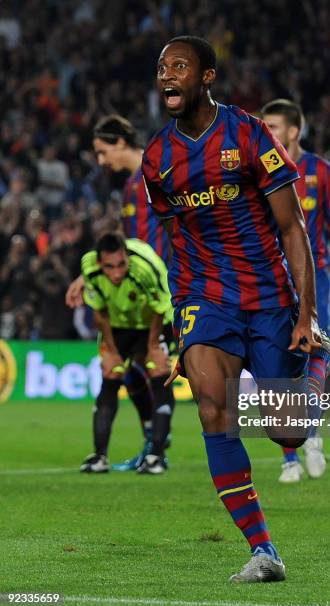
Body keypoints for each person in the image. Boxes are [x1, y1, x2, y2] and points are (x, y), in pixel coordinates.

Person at [142, 35, 330, 583]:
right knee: (212, 409)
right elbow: (174, 235)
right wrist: (179, 316)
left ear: (206, 76)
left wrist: (305, 314)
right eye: (162, 68)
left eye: (179, 66)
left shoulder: (247, 133)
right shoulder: (156, 156)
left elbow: (292, 227)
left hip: (269, 298)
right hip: (205, 298)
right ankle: (263, 551)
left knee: (289, 434)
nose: (167, 76)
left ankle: (321, 364)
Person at [261, 99, 330, 483]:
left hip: (314, 275)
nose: (267, 133)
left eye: (274, 126)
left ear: (294, 131)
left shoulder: (321, 171)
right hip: (272, 276)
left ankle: (313, 435)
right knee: (280, 360)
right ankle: (289, 458)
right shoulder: (258, 169)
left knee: (315, 348)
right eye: (264, 126)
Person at [66, 115, 172, 472]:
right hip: (135, 294)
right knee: (130, 371)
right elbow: (125, 245)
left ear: (121, 143)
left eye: (102, 151)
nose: (100, 160)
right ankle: (154, 442)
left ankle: (294, 438)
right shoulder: (131, 186)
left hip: (165, 290)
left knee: (168, 369)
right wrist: (88, 273)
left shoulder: (158, 173)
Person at [80, 232, 174, 475]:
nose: (117, 273)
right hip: (119, 324)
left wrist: (153, 345)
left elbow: (160, 308)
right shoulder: (89, 268)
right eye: (110, 266)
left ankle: (157, 455)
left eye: (121, 264)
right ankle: (99, 456)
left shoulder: (144, 269)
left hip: (155, 321)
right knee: (110, 374)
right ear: (100, 262)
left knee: (159, 371)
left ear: (127, 258)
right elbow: (99, 310)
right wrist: (110, 350)